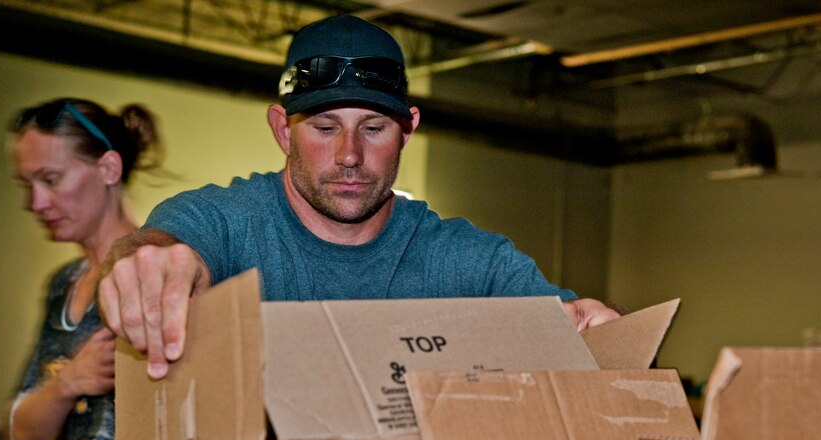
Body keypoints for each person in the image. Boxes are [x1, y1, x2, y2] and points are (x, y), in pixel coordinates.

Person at [98, 14, 619, 380]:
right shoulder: (227, 224)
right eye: (324, 127)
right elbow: (160, 246)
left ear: (408, 130)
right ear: (283, 130)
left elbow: (568, 328)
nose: (349, 155)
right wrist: (148, 267)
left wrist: (595, 328)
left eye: (373, 128)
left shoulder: (461, 261)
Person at [0, 97, 163, 440]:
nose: (36, 203)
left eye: (51, 179)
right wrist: (68, 382)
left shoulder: (145, 274)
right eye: (27, 185)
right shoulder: (63, 284)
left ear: (109, 168)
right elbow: (23, 433)